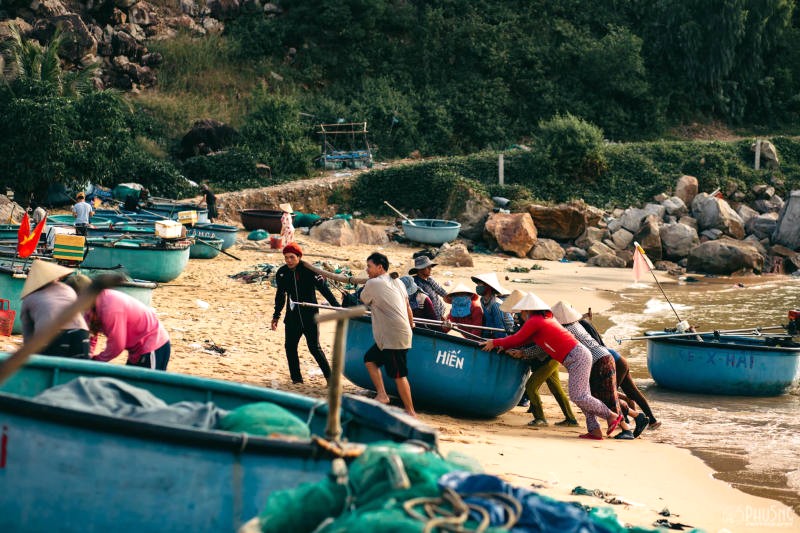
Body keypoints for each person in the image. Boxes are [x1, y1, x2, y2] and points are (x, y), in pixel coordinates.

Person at [480, 292, 623, 440]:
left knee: (578, 395)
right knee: (583, 395)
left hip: (577, 357)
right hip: (577, 356)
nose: (519, 316)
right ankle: (594, 430)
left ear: (527, 311)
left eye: (520, 312)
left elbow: (518, 338)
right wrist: (513, 349)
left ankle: (611, 416)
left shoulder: (535, 320)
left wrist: (494, 343)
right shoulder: (543, 319)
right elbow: (528, 341)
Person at [551, 301, 642, 439]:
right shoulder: (576, 325)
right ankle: (635, 418)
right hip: (602, 358)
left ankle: (628, 427)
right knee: (598, 396)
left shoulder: (567, 330)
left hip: (600, 361)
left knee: (607, 397)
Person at [69, 274, 171, 370]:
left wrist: (97, 361)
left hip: (153, 345)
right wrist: (88, 356)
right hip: (136, 350)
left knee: (148, 386)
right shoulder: (91, 306)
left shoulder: (110, 307)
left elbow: (117, 345)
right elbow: (91, 335)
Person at [271, 242, 338, 384]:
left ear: (299, 257)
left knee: (314, 348)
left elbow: (325, 291)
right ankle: (297, 380)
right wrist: (276, 315)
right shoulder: (282, 273)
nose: (289, 260)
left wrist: (337, 307)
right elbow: (280, 295)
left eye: (292, 257)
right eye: (286, 257)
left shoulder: (310, 271)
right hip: (292, 317)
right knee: (290, 347)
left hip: (310, 316)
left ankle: (331, 379)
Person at [579, 314, 661, 430]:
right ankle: (652, 420)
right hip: (619, 360)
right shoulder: (591, 334)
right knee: (633, 392)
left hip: (612, 363)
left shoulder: (581, 331)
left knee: (608, 395)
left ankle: (628, 419)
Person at [360, 252, 416, 416]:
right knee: (370, 359)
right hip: (396, 334)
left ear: (379, 267)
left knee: (399, 375)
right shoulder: (398, 281)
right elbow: (407, 306)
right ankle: (382, 394)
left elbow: (363, 299)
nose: (367, 270)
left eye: (369, 267)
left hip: (393, 336)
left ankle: (410, 411)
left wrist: (368, 283)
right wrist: (411, 326)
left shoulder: (373, 283)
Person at [20, 260, 89, 359]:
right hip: (80, 331)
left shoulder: (29, 299)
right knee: (81, 371)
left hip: (51, 334)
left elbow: (28, 336)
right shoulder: (68, 289)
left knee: (50, 370)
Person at [471, 272, 514, 338]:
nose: (478, 286)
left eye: (480, 284)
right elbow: (488, 320)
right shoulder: (482, 300)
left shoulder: (495, 304)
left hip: (506, 331)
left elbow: (500, 325)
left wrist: (499, 342)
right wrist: (484, 336)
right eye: (478, 284)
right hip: (493, 329)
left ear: (488, 287)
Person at [409, 255, 447, 320]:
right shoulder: (415, 284)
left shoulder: (430, 279)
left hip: (440, 314)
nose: (430, 269)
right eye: (427, 267)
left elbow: (441, 291)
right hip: (429, 319)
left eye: (430, 267)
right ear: (420, 270)